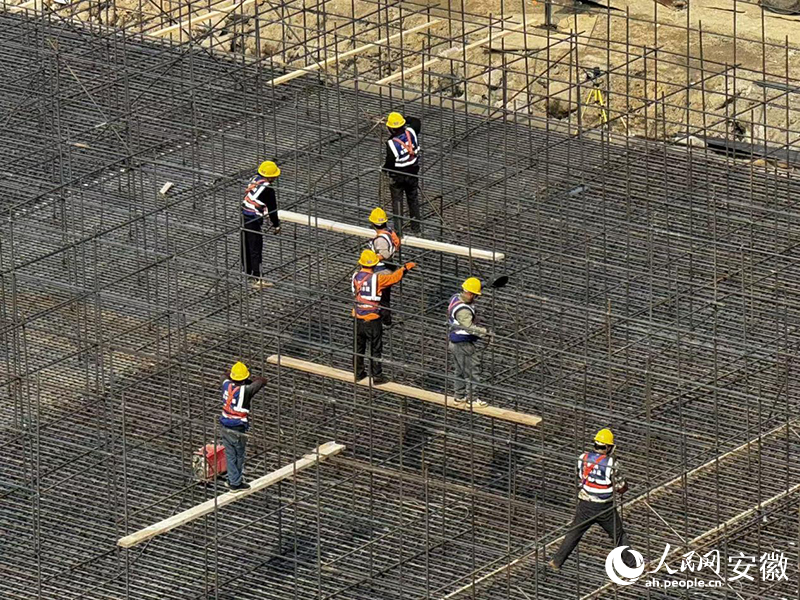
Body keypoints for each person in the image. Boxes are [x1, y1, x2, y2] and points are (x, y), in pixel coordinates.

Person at [549, 429, 637, 571]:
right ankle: (633, 564)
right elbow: (620, 486)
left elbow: (580, 475)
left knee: (574, 533)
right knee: (618, 535)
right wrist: (623, 488)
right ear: (608, 447)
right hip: (604, 507)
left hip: (585, 504)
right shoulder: (611, 463)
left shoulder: (583, 457)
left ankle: (557, 561)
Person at [352, 249, 416, 383]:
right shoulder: (377, 278)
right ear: (374, 264)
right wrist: (404, 268)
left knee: (358, 347)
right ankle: (377, 376)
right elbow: (393, 278)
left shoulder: (355, 276)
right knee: (376, 348)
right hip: (372, 319)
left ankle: (358, 373)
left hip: (357, 317)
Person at [219, 361, 266, 492]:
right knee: (239, 454)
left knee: (230, 454)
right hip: (237, 426)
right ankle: (236, 483)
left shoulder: (226, 384)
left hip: (224, 424)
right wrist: (250, 379)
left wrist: (233, 374)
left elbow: (224, 375)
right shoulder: (246, 390)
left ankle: (231, 479)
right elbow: (262, 381)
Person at [448, 277, 491, 407]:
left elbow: (473, 287)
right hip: (464, 344)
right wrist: (485, 332)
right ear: (470, 294)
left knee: (460, 370)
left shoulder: (456, 297)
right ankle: (472, 400)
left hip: (454, 342)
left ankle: (459, 397)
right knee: (473, 370)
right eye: (475, 295)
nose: (476, 298)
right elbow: (469, 328)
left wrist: (485, 284)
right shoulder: (463, 311)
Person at [242, 160, 282, 288]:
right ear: (271, 176)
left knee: (246, 243)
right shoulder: (268, 191)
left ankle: (247, 271)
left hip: (243, 214)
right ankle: (257, 278)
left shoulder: (255, 178)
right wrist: (276, 225)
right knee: (255, 248)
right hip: (253, 219)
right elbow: (272, 210)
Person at [382, 112, 421, 234]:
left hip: (398, 177)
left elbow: (390, 162)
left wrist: (384, 170)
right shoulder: (411, 132)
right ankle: (416, 227)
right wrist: (405, 118)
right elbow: (416, 121)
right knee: (413, 199)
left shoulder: (391, 143)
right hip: (413, 173)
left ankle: (399, 231)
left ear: (391, 128)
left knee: (397, 201)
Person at [368, 207, 402, 327]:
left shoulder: (380, 240)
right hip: (387, 269)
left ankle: (384, 320)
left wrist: (373, 258)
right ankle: (384, 319)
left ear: (373, 224)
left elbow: (385, 254)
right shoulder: (389, 232)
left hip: (381, 271)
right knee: (384, 297)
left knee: (381, 298)